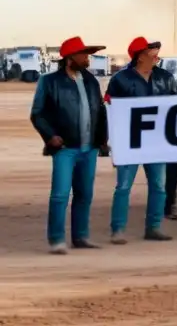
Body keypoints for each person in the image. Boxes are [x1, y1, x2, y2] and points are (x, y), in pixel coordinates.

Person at [29, 36, 110, 254]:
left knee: (84, 194)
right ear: (69, 58)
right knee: (60, 195)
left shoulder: (91, 81)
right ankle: (56, 240)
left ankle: (81, 237)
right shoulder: (49, 82)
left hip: (89, 148)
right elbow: (38, 114)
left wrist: (102, 140)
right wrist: (50, 136)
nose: (87, 59)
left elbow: (100, 113)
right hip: (65, 148)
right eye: (83, 55)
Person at [106, 36, 176, 244]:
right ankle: (118, 229)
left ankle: (154, 227)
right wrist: (110, 138)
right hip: (130, 141)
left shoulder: (166, 77)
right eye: (151, 52)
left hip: (158, 141)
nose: (156, 56)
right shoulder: (121, 80)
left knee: (159, 186)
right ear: (140, 56)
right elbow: (109, 109)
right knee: (124, 186)